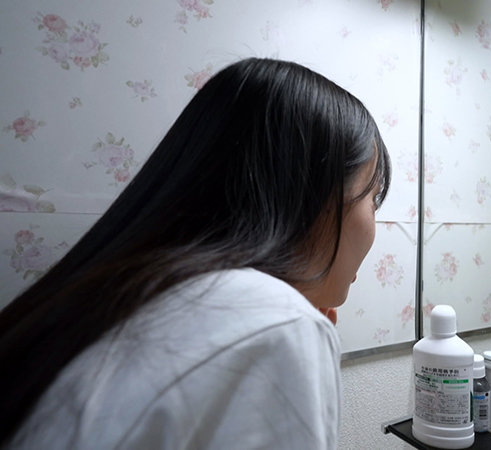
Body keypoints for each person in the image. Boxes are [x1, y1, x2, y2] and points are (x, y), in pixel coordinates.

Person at [0, 57, 391, 449]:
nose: (374, 220)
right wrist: (292, 331)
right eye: (372, 198)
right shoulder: (277, 325)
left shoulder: (118, 293)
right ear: (309, 196)